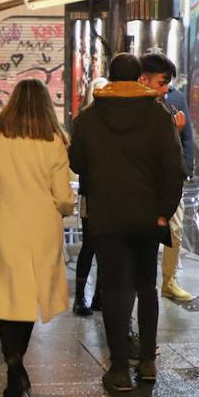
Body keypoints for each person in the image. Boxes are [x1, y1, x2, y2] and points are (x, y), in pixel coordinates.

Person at [69, 54, 184, 393]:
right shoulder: (159, 116)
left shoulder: (90, 118)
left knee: (116, 289)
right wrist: (164, 210)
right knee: (146, 286)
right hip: (149, 216)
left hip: (107, 216)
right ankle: (147, 362)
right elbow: (174, 169)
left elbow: (76, 163)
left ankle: (119, 368)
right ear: (138, 78)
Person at [0, 79, 76, 397]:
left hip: (7, 226)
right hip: (43, 228)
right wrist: (67, 207)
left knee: (6, 295)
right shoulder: (55, 140)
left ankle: (13, 364)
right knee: (29, 297)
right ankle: (17, 362)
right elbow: (63, 196)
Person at [139, 52, 196, 303]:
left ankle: (169, 280)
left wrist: (186, 168)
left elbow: (187, 139)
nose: (166, 89)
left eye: (168, 83)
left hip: (171, 179)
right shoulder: (132, 104)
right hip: (143, 183)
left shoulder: (175, 98)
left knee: (175, 230)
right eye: (162, 82)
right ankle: (143, 283)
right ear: (144, 79)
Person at [73, 77, 109, 317]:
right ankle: (80, 297)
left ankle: (98, 296)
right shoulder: (83, 120)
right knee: (89, 245)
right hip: (91, 193)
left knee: (106, 246)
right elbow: (76, 160)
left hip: (108, 194)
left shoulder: (110, 121)